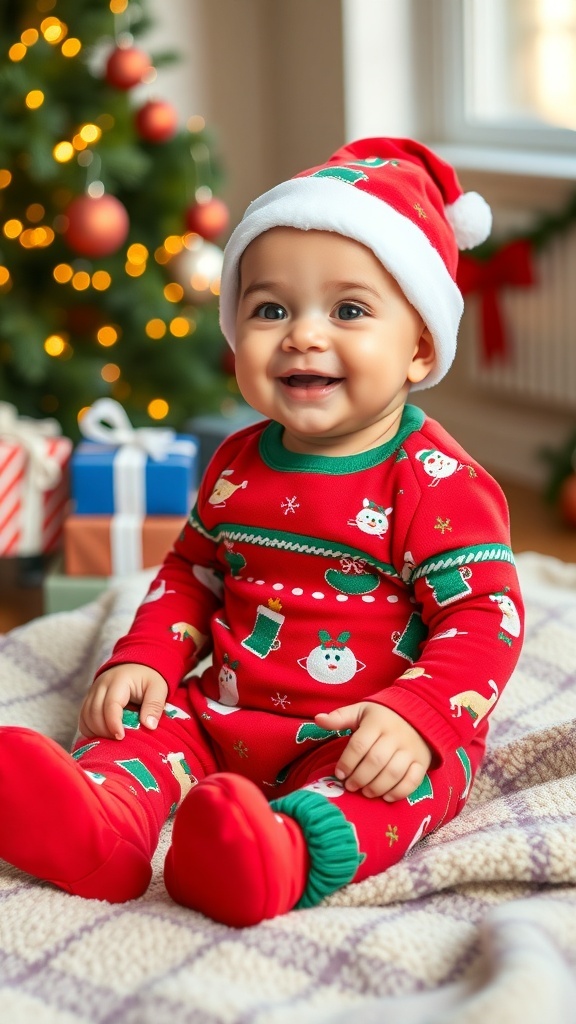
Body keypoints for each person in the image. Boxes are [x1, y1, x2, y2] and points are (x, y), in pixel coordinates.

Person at [0, 138, 524, 927]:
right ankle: (102, 829)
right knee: (141, 728)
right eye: (270, 308)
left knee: (408, 786)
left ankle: (275, 857)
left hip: (364, 730)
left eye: (348, 310)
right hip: (222, 714)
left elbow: (486, 616)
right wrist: (145, 658)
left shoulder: (437, 482)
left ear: (419, 348)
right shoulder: (239, 460)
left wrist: (421, 715)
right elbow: (190, 572)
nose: (303, 335)